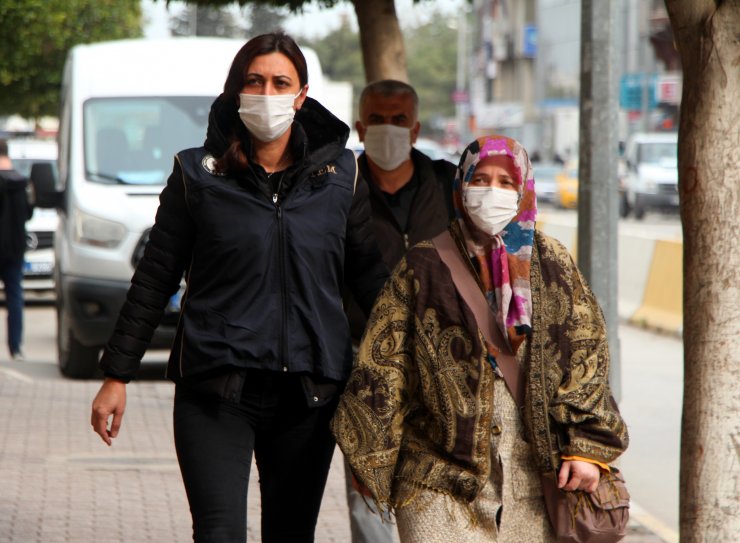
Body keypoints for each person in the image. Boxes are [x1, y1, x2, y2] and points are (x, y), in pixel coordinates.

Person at [90, 32, 388, 543]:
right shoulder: (195, 174)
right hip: (215, 390)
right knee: (218, 533)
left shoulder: (343, 174)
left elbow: (376, 285)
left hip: (309, 395)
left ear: (301, 95)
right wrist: (118, 374)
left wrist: (412, 375)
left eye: (280, 83)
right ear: (235, 91)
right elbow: (155, 276)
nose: (267, 93)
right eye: (254, 81)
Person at [331, 135, 629, 542]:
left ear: (524, 190)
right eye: (481, 179)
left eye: (506, 183)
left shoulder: (553, 262)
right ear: (461, 185)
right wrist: (370, 455)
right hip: (436, 478)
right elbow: (384, 364)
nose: (492, 192)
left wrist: (587, 446)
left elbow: (586, 356)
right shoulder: (423, 265)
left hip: (532, 479)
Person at [342, 79, 457, 543]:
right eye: (377, 120)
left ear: (415, 130)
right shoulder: (337, 187)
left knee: (434, 482)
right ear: (359, 127)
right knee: (368, 486)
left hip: (439, 359)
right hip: (359, 355)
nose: (387, 129)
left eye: (398, 120)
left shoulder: (449, 185)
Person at [0, 138, 34, 361]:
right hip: (15, 249)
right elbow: (29, 213)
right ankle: (16, 348)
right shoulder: (22, 182)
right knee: (15, 298)